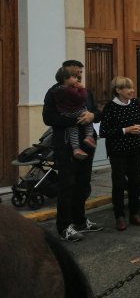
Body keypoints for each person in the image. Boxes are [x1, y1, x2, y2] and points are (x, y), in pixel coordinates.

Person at [43, 59, 104, 242]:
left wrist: (92, 116)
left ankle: (80, 221)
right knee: (67, 185)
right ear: (65, 73)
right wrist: (75, 120)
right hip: (66, 144)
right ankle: (64, 226)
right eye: (76, 72)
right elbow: (48, 118)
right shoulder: (54, 93)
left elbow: (97, 112)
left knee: (83, 183)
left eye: (80, 72)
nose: (79, 75)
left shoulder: (85, 91)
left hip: (87, 143)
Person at [100, 76, 140, 231]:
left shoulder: (135, 103)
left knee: (135, 182)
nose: (132, 90)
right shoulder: (110, 107)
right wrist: (126, 130)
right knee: (119, 183)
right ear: (118, 90)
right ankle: (119, 216)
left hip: (135, 148)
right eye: (128, 88)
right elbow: (104, 131)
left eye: (132, 87)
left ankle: (134, 213)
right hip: (117, 151)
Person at [51, 66, 97, 160]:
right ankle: (89, 137)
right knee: (87, 117)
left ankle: (76, 149)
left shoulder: (57, 90)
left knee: (73, 131)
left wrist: (94, 115)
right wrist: (82, 89)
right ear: (65, 78)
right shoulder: (69, 89)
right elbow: (81, 97)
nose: (78, 78)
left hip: (65, 113)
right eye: (75, 77)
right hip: (75, 112)